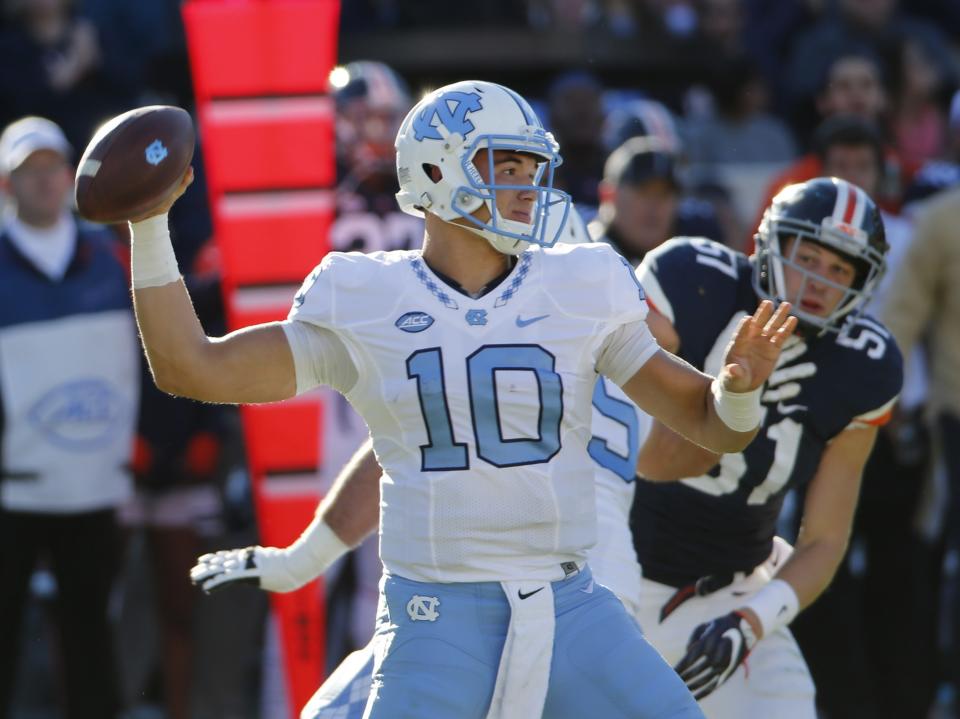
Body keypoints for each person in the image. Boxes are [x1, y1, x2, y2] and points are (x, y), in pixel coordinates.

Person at [132, 80, 797, 718]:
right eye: (504, 164)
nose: (525, 185)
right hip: (435, 616)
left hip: (573, 607)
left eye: (530, 166)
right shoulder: (367, 297)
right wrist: (148, 226)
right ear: (437, 169)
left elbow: (711, 427)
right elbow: (193, 368)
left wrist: (737, 393)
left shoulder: (580, 281)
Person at [628, 176, 903, 718]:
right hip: (610, 577)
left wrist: (754, 619)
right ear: (771, 242)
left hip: (729, 591)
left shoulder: (862, 364)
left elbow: (824, 538)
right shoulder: (692, 282)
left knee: (787, 706)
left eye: (839, 270)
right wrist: (730, 392)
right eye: (809, 256)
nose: (817, 281)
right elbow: (644, 461)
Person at [0, 116, 139, 719]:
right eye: (28, 171)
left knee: (91, 641)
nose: (44, 181)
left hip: (95, 489)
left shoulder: (112, 257)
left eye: (52, 167)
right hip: (13, 495)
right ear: (7, 184)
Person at [882, 185, 960, 715]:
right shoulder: (941, 220)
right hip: (955, 419)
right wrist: (883, 400)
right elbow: (900, 316)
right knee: (947, 555)